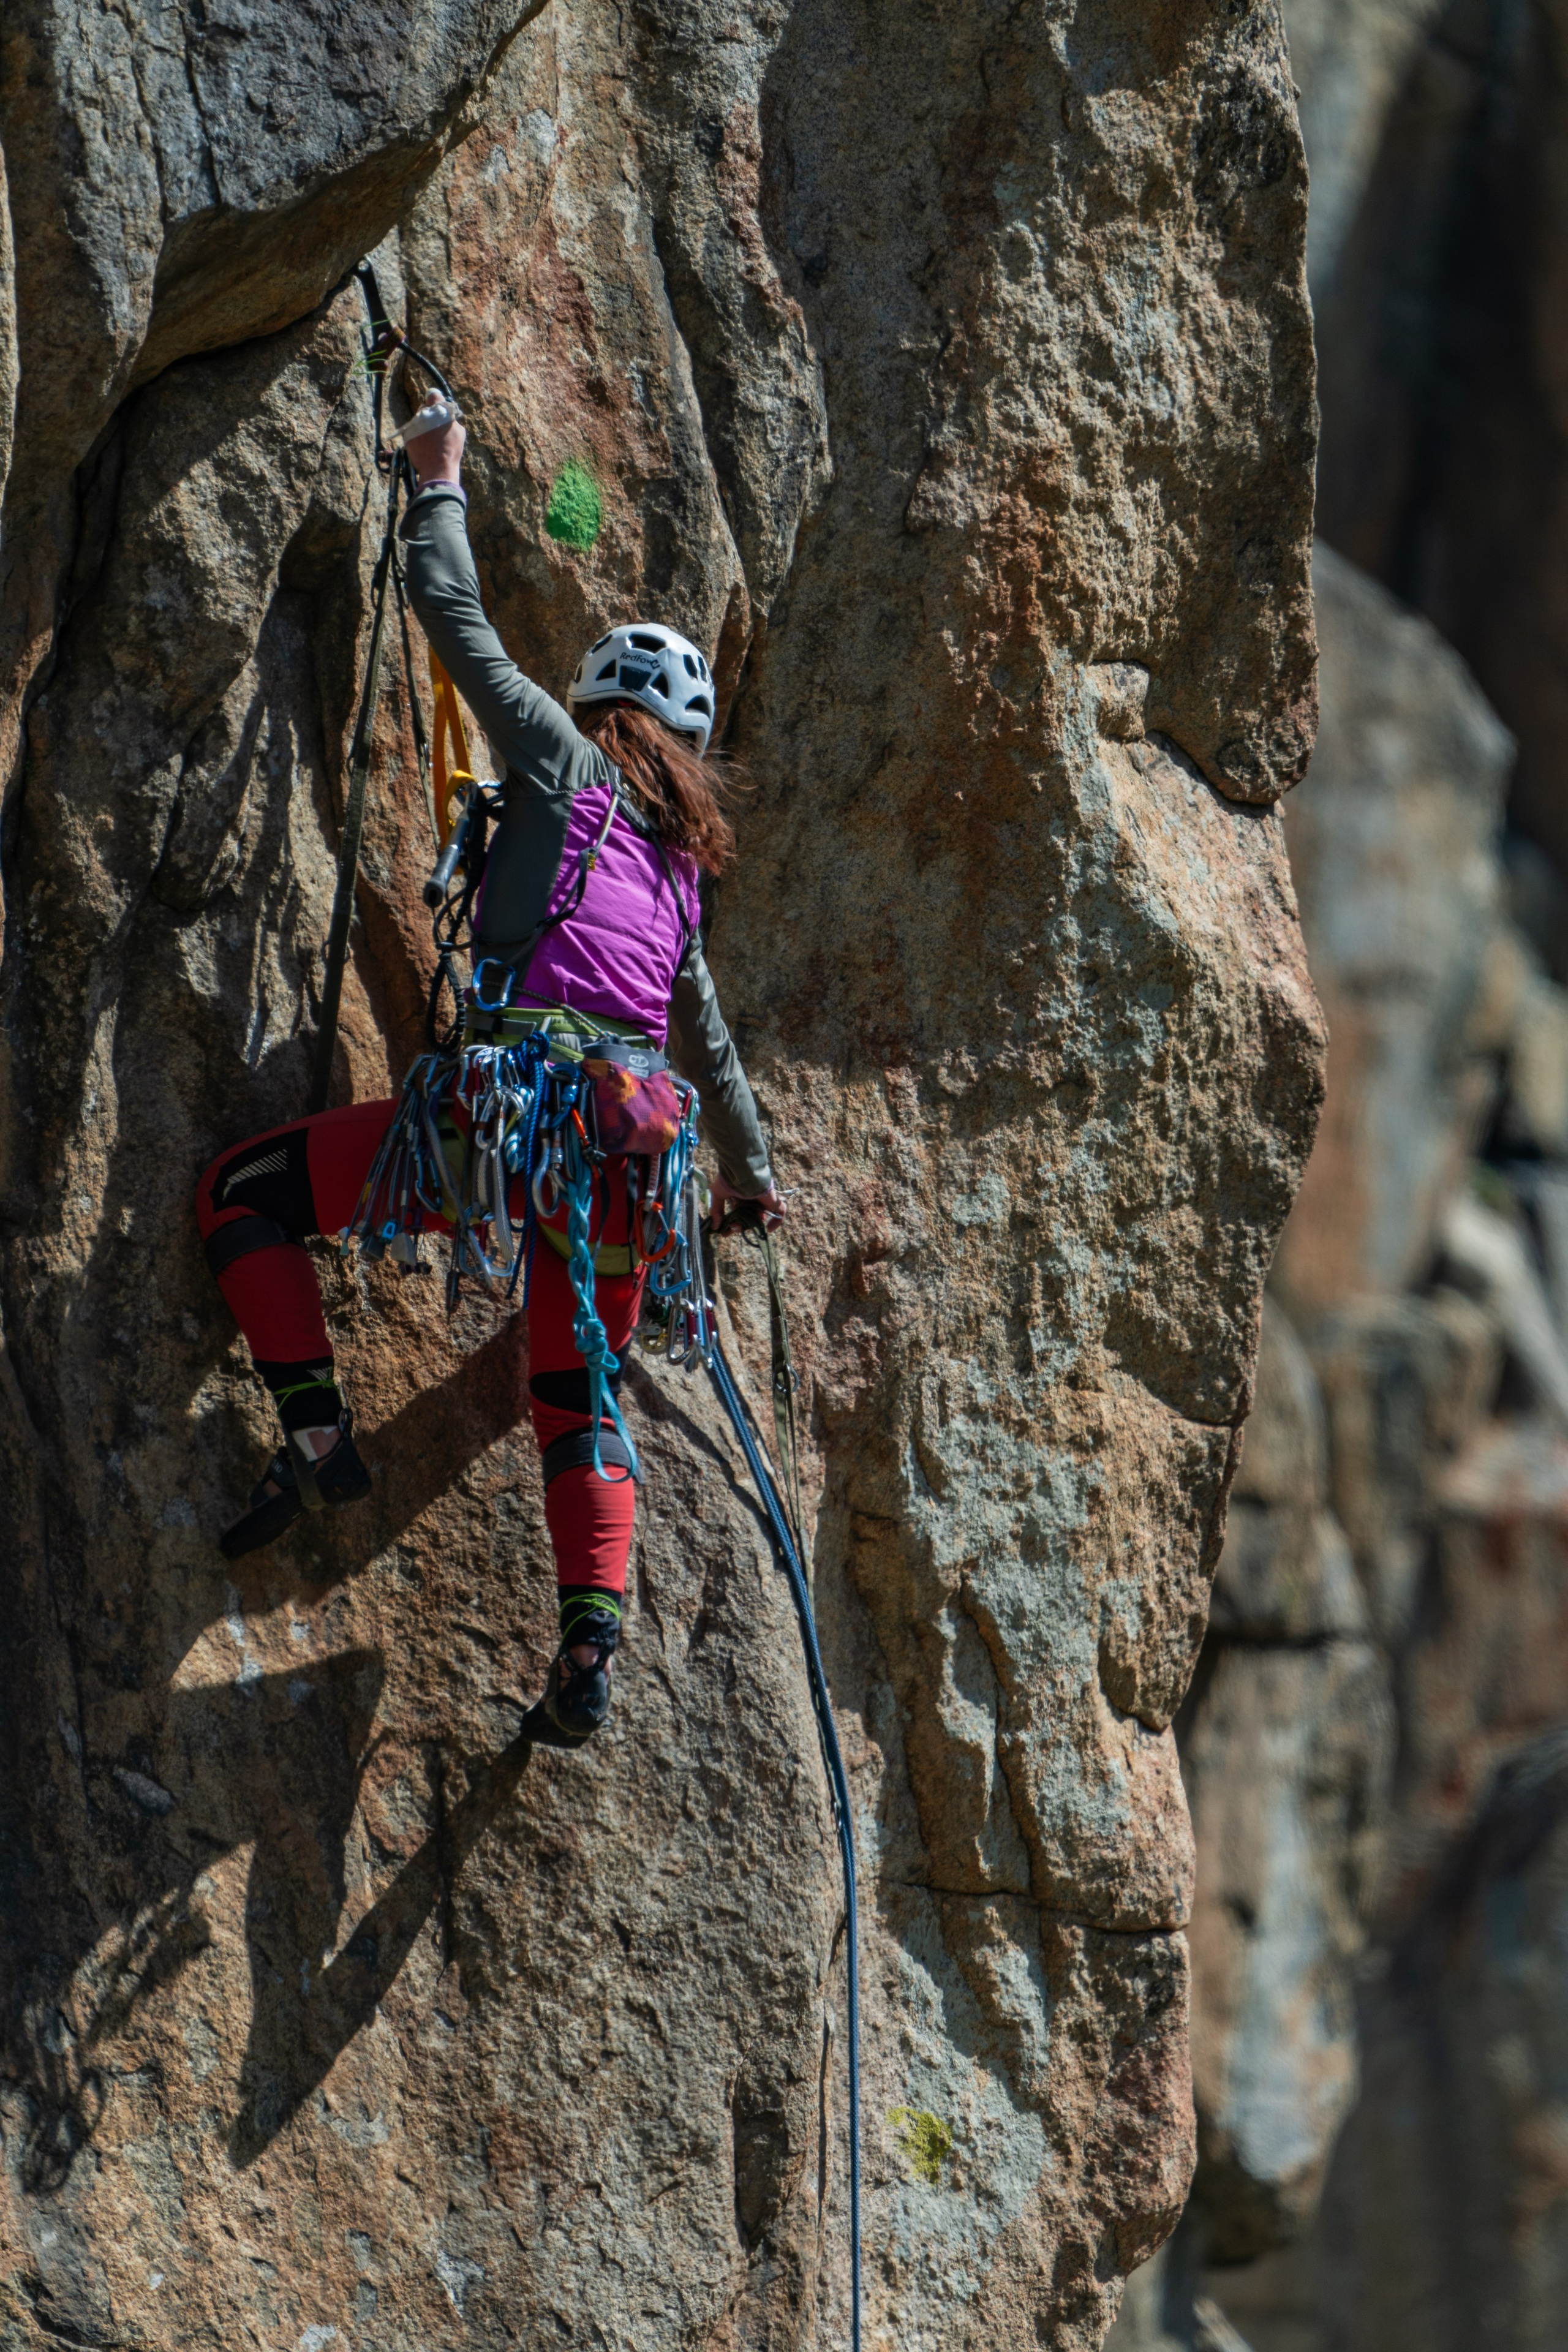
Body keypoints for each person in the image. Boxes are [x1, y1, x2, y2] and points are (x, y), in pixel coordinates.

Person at [196, 401, 782, 1746]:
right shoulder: (681, 879)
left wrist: (439, 478)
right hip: (633, 1150)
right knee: (574, 1392)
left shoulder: (561, 758)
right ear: (677, 746)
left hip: (506, 1120)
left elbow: (452, 620)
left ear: (598, 709)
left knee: (244, 1195)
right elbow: (716, 1049)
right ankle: (590, 1641)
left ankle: (314, 1430)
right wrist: (748, 1185)